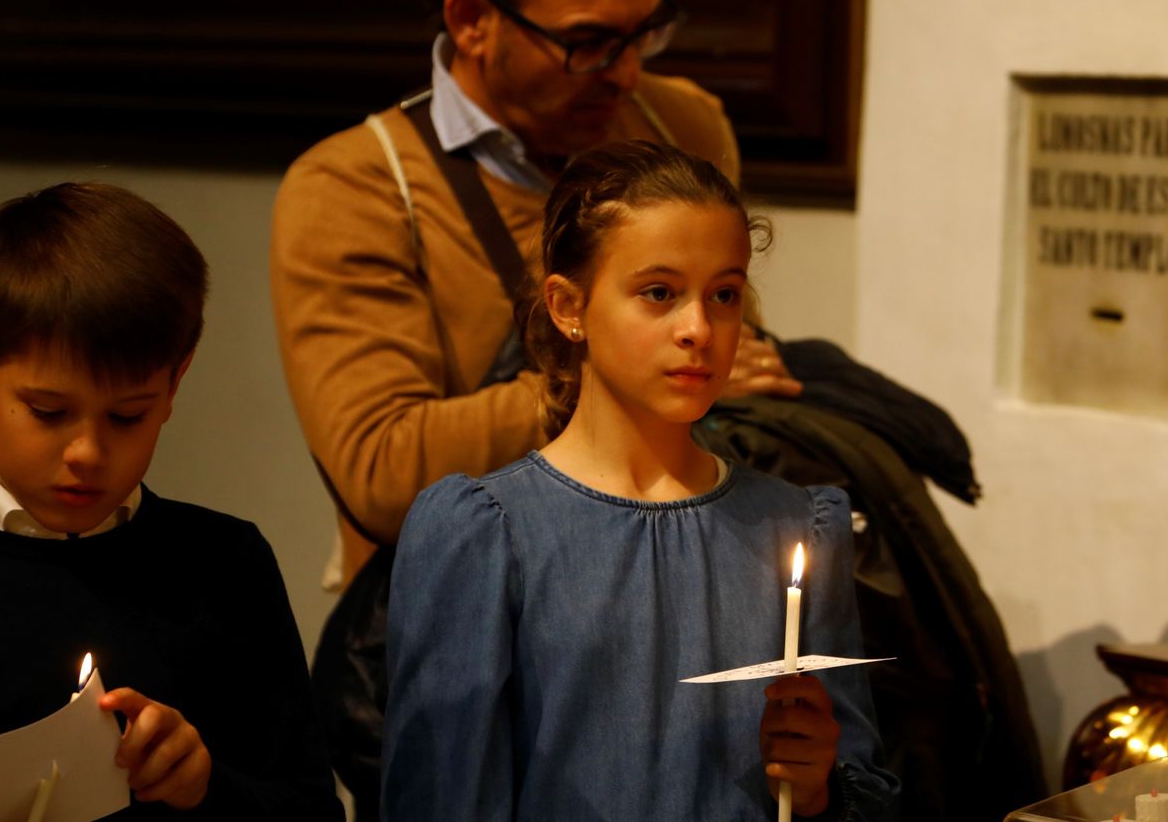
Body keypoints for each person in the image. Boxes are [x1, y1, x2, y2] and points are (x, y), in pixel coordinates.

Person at [269, 0, 800, 597]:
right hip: (472, 606)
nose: (623, 71)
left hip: (672, 578)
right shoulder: (355, 187)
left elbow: (721, 367)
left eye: (643, 32)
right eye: (587, 43)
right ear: (472, 17)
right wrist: (610, 373)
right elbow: (381, 474)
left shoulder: (680, 122)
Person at [381, 141, 898, 819]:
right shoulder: (490, 535)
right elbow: (444, 797)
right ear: (569, 307)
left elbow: (861, 785)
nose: (698, 329)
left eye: (725, 295)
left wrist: (817, 790)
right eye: (659, 293)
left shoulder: (796, 528)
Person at [0, 183, 342, 821]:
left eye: (127, 416)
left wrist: (205, 785)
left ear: (175, 382)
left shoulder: (225, 566)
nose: (88, 453)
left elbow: (309, 808)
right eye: (48, 412)